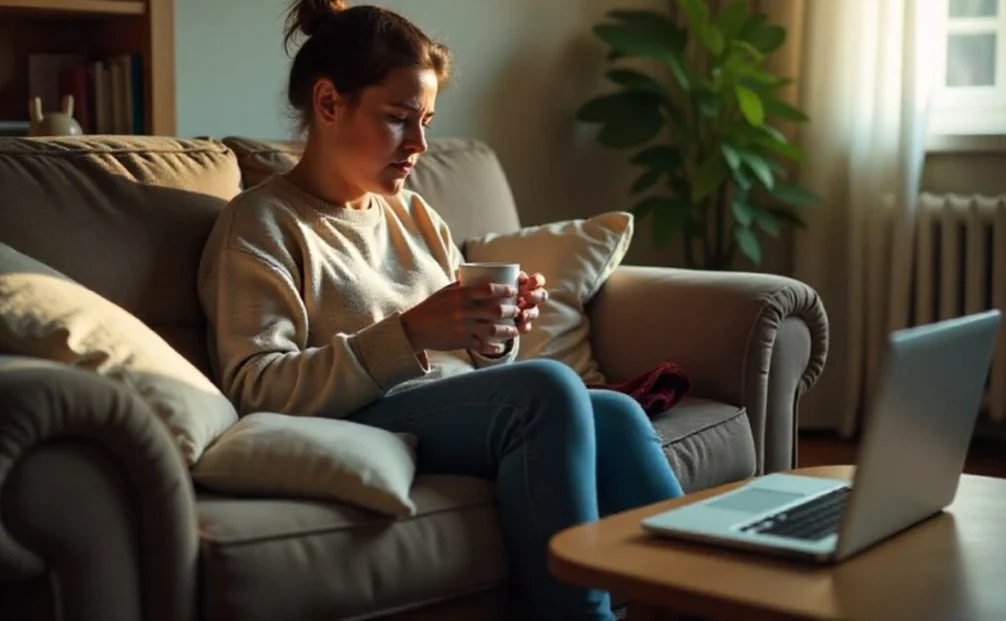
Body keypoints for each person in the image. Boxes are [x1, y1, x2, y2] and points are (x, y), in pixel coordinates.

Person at [196, 1, 684, 619]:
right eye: (400, 119)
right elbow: (255, 386)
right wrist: (409, 333)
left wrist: (494, 333)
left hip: (448, 406)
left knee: (611, 412)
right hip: (354, 416)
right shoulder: (262, 222)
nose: (421, 144)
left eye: (425, 121)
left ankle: (704, 603)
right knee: (548, 390)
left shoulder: (413, 214)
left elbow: (475, 363)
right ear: (328, 104)